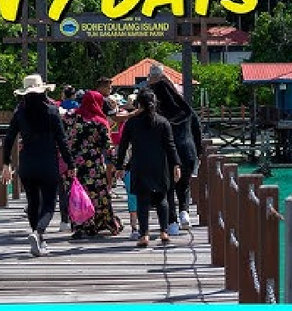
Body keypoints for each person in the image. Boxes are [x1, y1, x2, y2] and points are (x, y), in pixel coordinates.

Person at [1, 74, 75, 257]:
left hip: (27, 164)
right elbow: (62, 140)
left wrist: (5, 164)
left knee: (33, 202)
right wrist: (70, 163)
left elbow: (9, 139)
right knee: (49, 204)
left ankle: (37, 238)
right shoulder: (52, 111)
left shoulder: (20, 113)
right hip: (48, 163)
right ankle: (38, 233)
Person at [115, 88, 181, 247]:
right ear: (155, 103)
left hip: (140, 164)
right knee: (162, 199)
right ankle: (164, 231)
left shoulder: (132, 123)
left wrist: (120, 166)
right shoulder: (163, 122)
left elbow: (123, 145)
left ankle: (144, 234)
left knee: (142, 200)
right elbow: (170, 146)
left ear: (139, 104)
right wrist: (176, 164)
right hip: (160, 165)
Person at [147, 63, 203, 234]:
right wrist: (199, 152)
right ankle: (184, 212)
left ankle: (172, 222)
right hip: (188, 151)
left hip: (168, 154)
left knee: (168, 187)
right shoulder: (186, 110)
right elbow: (197, 130)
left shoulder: (159, 116)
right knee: (184, 184)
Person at [64, 90, 121, 237]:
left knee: (78, 195)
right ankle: (100, 223)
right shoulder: (99, 121)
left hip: (75, 164)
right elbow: (108, 146)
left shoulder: (71, 118)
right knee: (98, 195)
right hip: (94, 164)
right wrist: (117, 164)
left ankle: (80, 226)